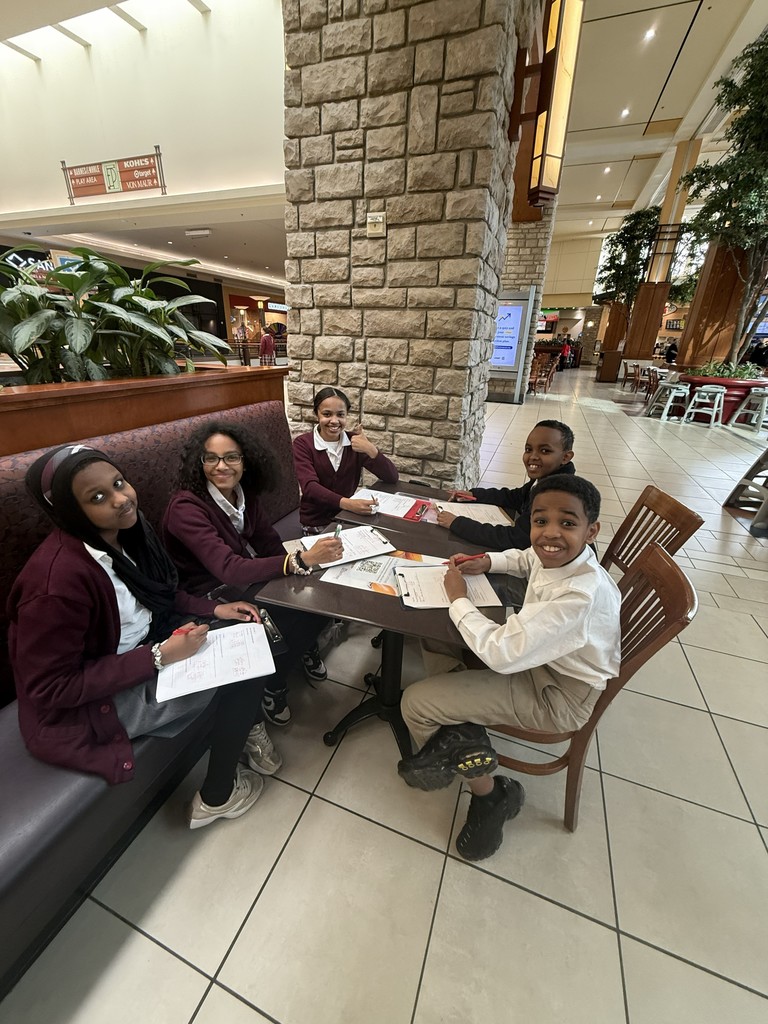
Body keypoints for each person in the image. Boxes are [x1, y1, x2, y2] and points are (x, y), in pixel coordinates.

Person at [7, 444, 278, 830]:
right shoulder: (56, 584)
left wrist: (214, 609)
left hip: (145, 646)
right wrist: (158, 656)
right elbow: (51, 689)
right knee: (241, 673)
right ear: (67, 510)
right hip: (91, 703)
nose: (121, 499)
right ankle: (218, 796)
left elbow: (162, 595)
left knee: (248, 635)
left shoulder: (128, 532)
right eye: (97, 497)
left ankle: (245, 729)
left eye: (119, 483)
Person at [398, 474, 621, 861]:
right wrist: (488, 560)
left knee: (416, 702)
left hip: (556, 694)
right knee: (433, 637)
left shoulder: (579, 597)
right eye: (540, 521)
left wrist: (458, 599)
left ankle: (490, 794)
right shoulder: (570, 557)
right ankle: (464, 733)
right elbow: (527, 557)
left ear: (591, 530)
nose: (550, 533)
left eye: (567, 523)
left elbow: (501, 653)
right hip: (542, 661)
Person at [162, 421, 343, 726]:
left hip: (236, 579)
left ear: (246, 460)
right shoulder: (186, 508)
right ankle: (274, 685)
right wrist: (300, 559)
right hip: (204, 595)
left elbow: (268, 543)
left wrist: (303, 569)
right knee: (296, 616)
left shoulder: (242, 494)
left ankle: (297, 650)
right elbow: (228, 568)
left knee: (321, 594)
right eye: (211, 458)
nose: (222, 466)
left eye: (231, 457)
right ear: (199, 462)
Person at [436, 420, 576, 555]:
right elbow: (515, 497)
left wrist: (457, 523)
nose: (533, 456)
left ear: (565, 457)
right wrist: (473, 494)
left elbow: (514, 538)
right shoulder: (545, 479)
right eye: (528, 449)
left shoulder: (555, 496)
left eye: (544, 451)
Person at [293, 386, 399, 533]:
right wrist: (349, 504)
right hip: (316, 523)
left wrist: (371, 449)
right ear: (316, 414)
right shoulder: (303, 444)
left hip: (348, 519)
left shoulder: (354, 442)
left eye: (341, 415)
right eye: (327, 414)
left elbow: (392, 477)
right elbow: (310, 488)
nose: (334, 421)